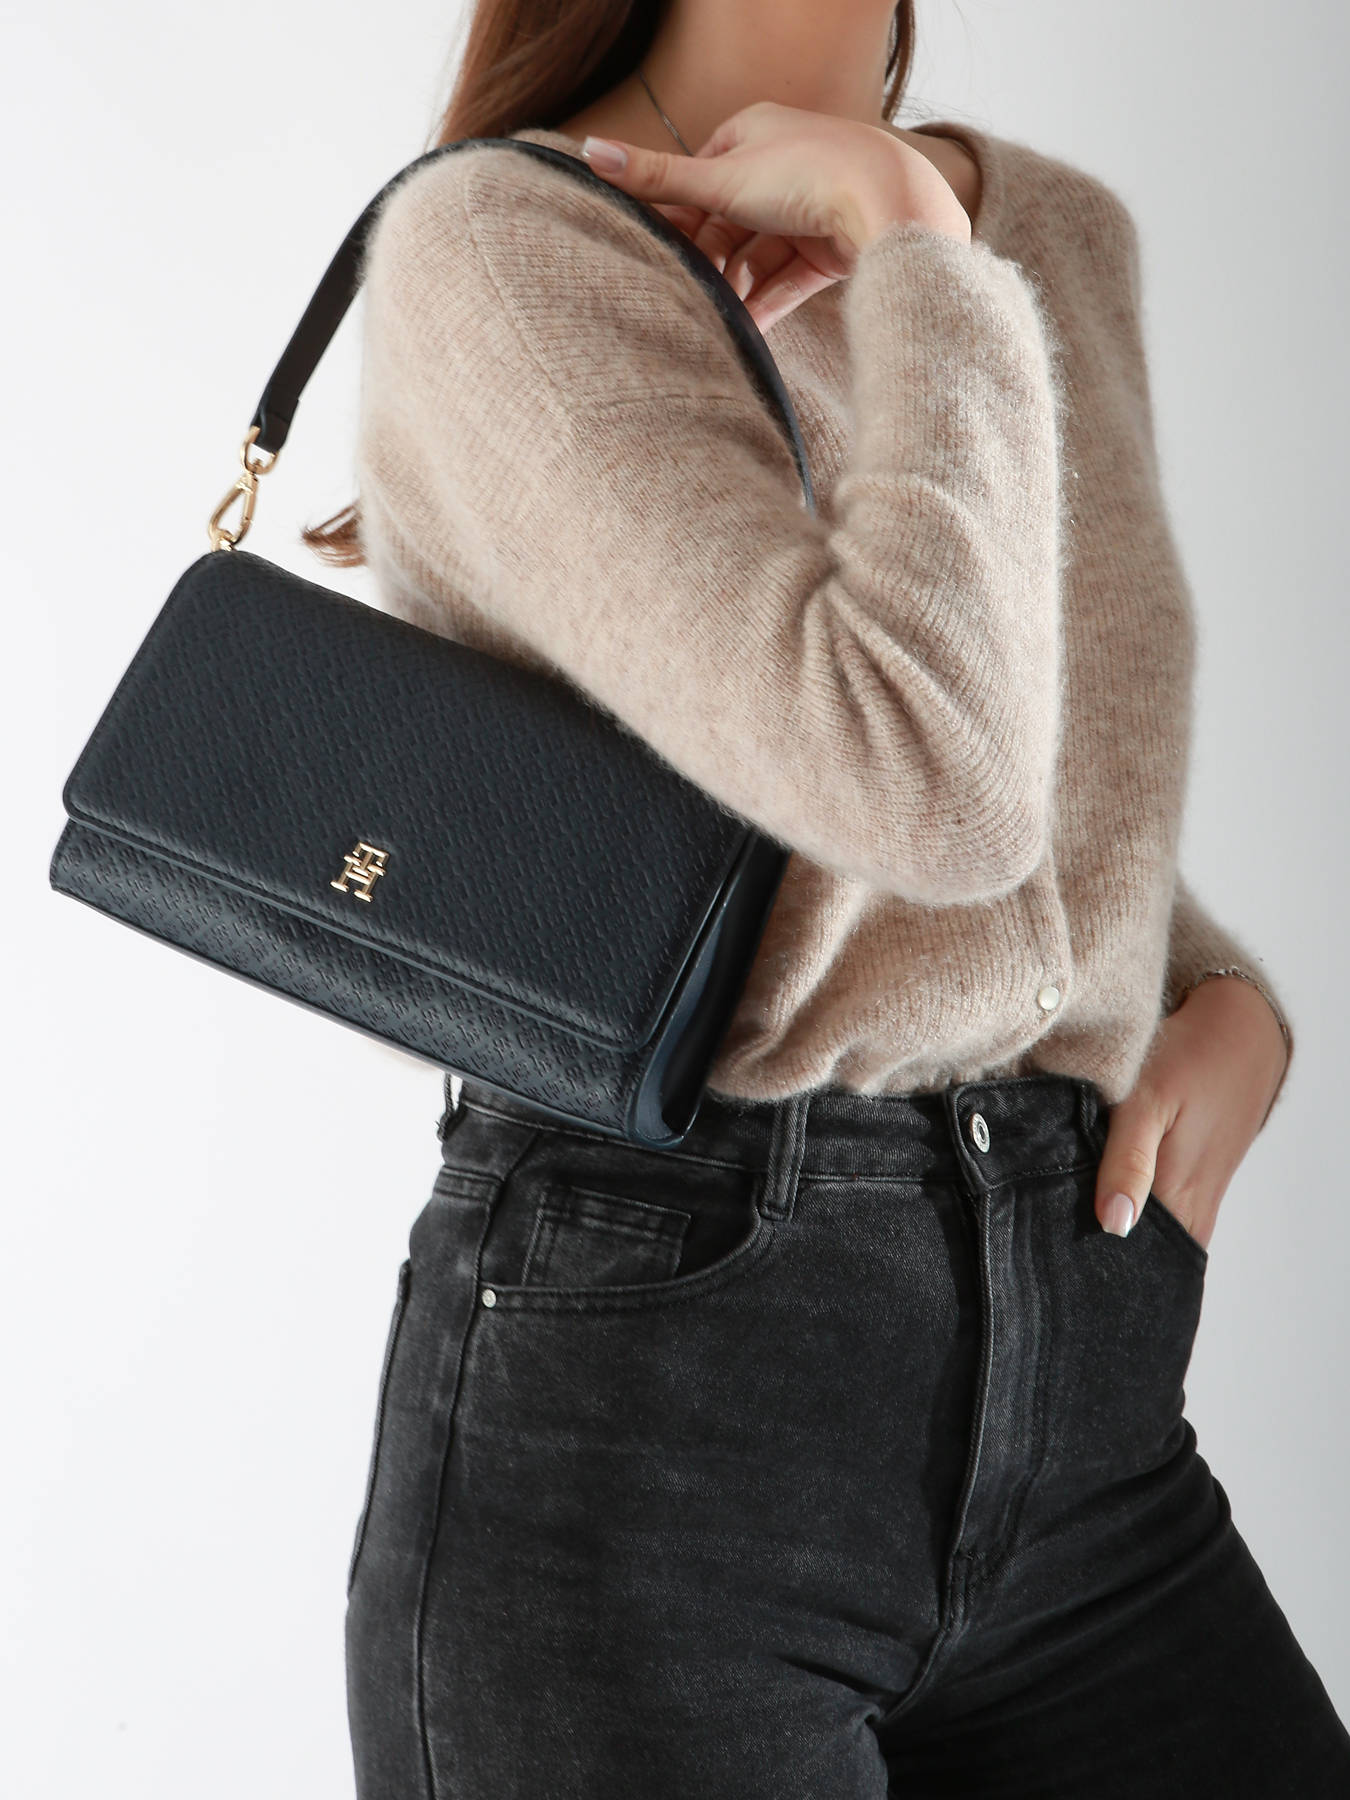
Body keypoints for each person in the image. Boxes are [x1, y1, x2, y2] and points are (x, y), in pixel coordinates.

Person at [315, 1, 1349, 1793]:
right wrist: (911, 252)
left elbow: (1041, 776)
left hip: (1089, 1407)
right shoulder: (503, 243)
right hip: (658, 1426)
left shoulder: (1053, 230)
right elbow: (921, 787)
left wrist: (1215, 991)